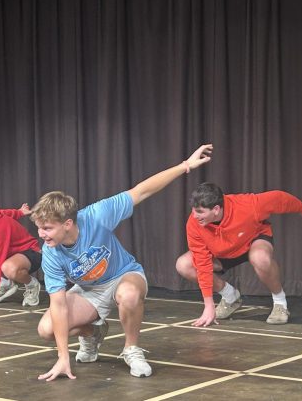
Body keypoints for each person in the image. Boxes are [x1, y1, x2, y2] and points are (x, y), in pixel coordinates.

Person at [30, 144, 213, 381]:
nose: (41, 234)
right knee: (46, 330)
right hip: (89, 290)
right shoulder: (51, 253)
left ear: (67, 224)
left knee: (128, 294)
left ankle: (131, 349)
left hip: (123, 275)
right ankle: (93, 332)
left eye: (47, 228)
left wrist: (185, 166)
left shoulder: (97, 216)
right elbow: (59, 306)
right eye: (39, 228)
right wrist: (63, 356)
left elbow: (141, 191)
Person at [175, 183, 302, 327]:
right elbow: (202, 263)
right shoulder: (194, 223)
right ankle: (230, 296)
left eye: (200, 212)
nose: (195, 215)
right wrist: (208, 305)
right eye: (193, 211)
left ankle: (280, 303)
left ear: (216, 209)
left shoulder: (247, 205)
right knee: (184, 265)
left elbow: (278, 198)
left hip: (252, 241)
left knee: (260, 258)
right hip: (222, 251)